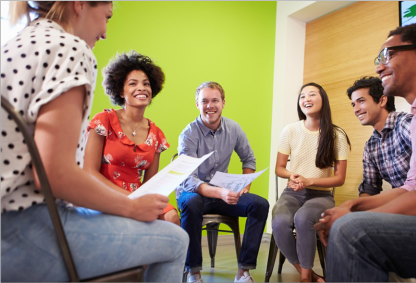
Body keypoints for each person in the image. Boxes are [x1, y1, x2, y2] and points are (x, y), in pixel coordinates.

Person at [1, 2, 188, 282]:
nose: (104, 33)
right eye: (107, 17)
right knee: (176, 241)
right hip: (26, 228)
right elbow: (55, 175)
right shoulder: (69, 48)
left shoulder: (16, 44)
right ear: (79, 5)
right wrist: (132, 206)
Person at [316, 23, 416, 282]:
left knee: (352, 231)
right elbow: (412, 187)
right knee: (347, 220)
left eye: (387, 55)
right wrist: (352, 205)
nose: (379, 66)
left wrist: (353, 217)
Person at [176, 81, 269, 283]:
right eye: (205, 101)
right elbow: (188, 179)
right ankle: (194, 274)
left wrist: (245, 186)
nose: (210, 106)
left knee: (259, 205)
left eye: (215, 100)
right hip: (194, 193)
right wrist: (220, 193)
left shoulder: (233, 128)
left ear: (223, 102)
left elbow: (249, 159)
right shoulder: (189, 134)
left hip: (221, 193)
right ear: (197, 104)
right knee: (191, 203)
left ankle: (243, 272)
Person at [84, 51, 180, 225]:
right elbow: (89, 172)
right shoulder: (103, 121)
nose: (142, 88)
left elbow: (150, 182)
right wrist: (131, 199)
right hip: (104, 193)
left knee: (171, 217)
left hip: (140, 196)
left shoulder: (157, 135)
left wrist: (145, 200)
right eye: (133, 83)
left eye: (146, 84)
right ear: (121, 91)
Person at [272, 82, 350, 282]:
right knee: (280, 221)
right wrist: (293, 176)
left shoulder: (336, 134)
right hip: (292, 193)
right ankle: (308, 274)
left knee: (303, 217)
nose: (306, 99)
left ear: (323, 99)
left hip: (321, 196)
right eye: (302, 96)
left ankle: (305, 278)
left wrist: (309, 181)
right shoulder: (290, 130)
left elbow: (339, 179)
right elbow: (279, 168)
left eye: (312, 94)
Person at [346, 76, 412, 197]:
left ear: (382, 101)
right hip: (402, 203)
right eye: (353, 104)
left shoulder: (405, 124)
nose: (356, 109)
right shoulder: (371, 145)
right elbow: (370, 187)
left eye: (361, 101)